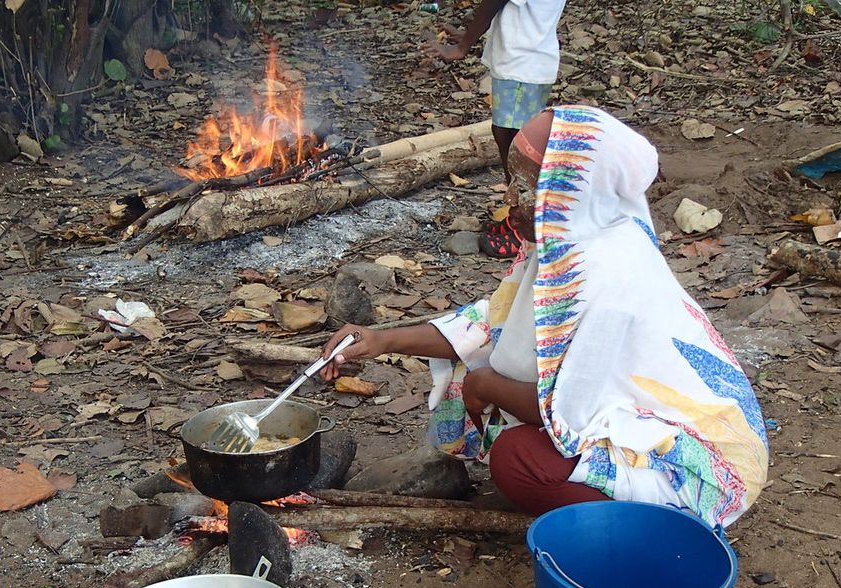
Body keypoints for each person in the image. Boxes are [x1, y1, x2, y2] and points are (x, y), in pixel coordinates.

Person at [321, 106, 769, 528]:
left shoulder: (609, 277)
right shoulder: (568, 242)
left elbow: (571, 414)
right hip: (635, 425)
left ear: (572, 191)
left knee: (518, 461)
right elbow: (491, 321)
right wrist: (382, 341)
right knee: (494, 396)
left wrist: (485, 385)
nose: (509, 197)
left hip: (696, 468)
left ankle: (652, 535)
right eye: (510, 180)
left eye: (525, 185)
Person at [423, 0, 569, 259]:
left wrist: (463, 45)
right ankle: (524, 215)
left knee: (517, 144)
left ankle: (523, 224)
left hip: (522, 63)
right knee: (510, 136)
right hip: (527, 59)